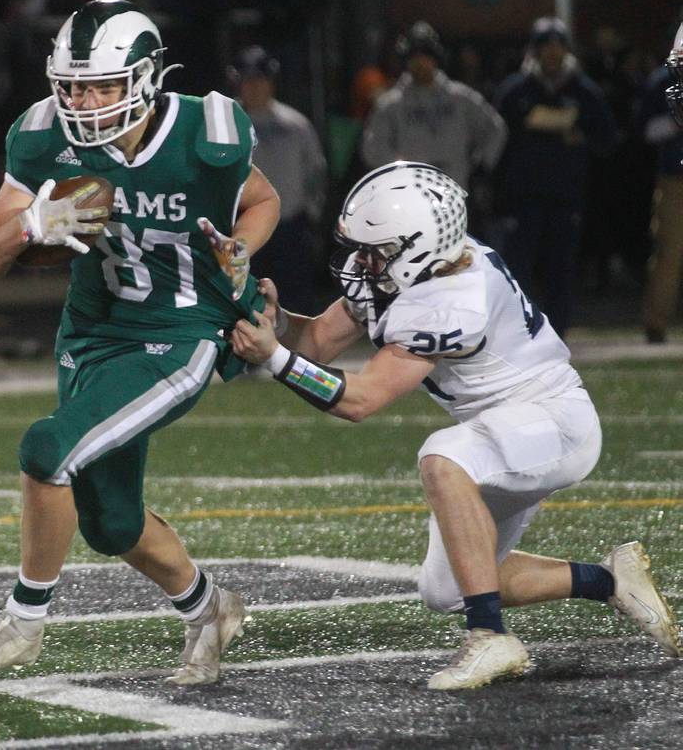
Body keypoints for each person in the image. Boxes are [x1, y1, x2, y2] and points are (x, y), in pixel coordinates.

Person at [231, 161, 680, 690]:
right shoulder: (426, 266)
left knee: (442, 458)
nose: (361, 261)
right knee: (448, 588)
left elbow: (360, 400)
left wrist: (276, 361)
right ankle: (605, 580)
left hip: (554, 424)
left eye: (377, 251)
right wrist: (274, 324)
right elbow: (318, 342)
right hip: (502, 433)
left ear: (419, 245)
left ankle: (491, 637)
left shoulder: (453, 298)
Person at [0, 0, 280, 684]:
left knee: (47, 448)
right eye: (73, 85)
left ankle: (22, 620)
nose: (85, 101)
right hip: (91, 331)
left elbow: (262, 200)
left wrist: (240, 248)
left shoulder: (204, 132)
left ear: (147, 78)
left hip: (179, 333)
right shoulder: (43, 138)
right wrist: (39, 220)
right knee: (111, 520)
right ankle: (210, 608)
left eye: (102, 85)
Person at [493, 17, 617, 338]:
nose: (552, 54)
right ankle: (515, 334)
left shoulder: (583, 91)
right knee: (516, 271)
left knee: (560, 272)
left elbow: (608, 139)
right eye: (545, 47)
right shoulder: (515, 90)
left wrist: (580, 135)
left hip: (565, 196)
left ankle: (555, 335)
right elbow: (496, 143)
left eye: (557, 47)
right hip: (524, 197)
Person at [227, 45, 327, 314]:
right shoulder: (225, 124)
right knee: (243, 299)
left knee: (295, 299)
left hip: (290, 228)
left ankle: (297, 353)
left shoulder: (295, 124)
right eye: (248, 80)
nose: (254, 86)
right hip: (243, 227)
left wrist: (312, 214)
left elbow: (315, 171)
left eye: (260, 79)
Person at [360, 21, 507, 192]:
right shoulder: (391, 104)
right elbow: (372, 148)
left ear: (436, 57)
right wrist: (398, 170)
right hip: (409, 195)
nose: (420, 62)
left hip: (454, 191)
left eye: (426, 54)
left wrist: (481, 165)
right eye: (414, 56)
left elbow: (496, 128)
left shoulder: (460, 98)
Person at [641, 23, 683, 344]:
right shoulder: (663, 81)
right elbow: (648, 131)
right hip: (675, 179)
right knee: (670, 252)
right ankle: (656, 323)